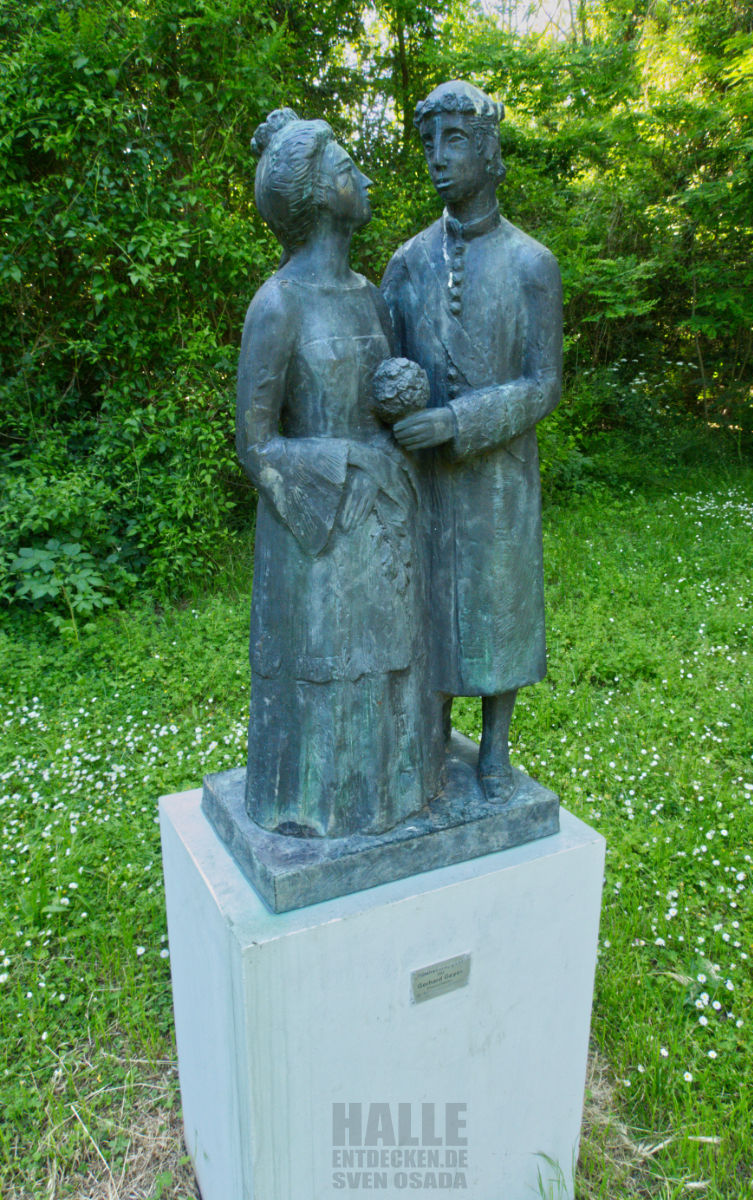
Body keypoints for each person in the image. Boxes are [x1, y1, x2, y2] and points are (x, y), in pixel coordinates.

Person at [238, 109, 442, 838]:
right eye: (349, 167)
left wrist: (402, 397)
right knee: (328, 672)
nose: (365, 178)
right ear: (320, 195)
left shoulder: (368, 294)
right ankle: (318, 809)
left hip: (385, 520)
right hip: (318, 538)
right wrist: (342, 466)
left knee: (391, 665)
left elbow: (377, 395)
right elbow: (256, 444)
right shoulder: (276, 306)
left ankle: (391, 799)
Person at [381, 81, 562, 803]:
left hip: (499, 475)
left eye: (454, 141)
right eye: (429, 143)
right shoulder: (407, 261)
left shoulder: (531, 264)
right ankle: (428, 731)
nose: (437, 159)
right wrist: (395, 398)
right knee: (425, 597)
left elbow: (545, 384)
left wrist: (460, 422)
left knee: (498, 601)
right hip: (422, 475)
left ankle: (495, 746)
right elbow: (386, 359)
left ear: (489, 150)